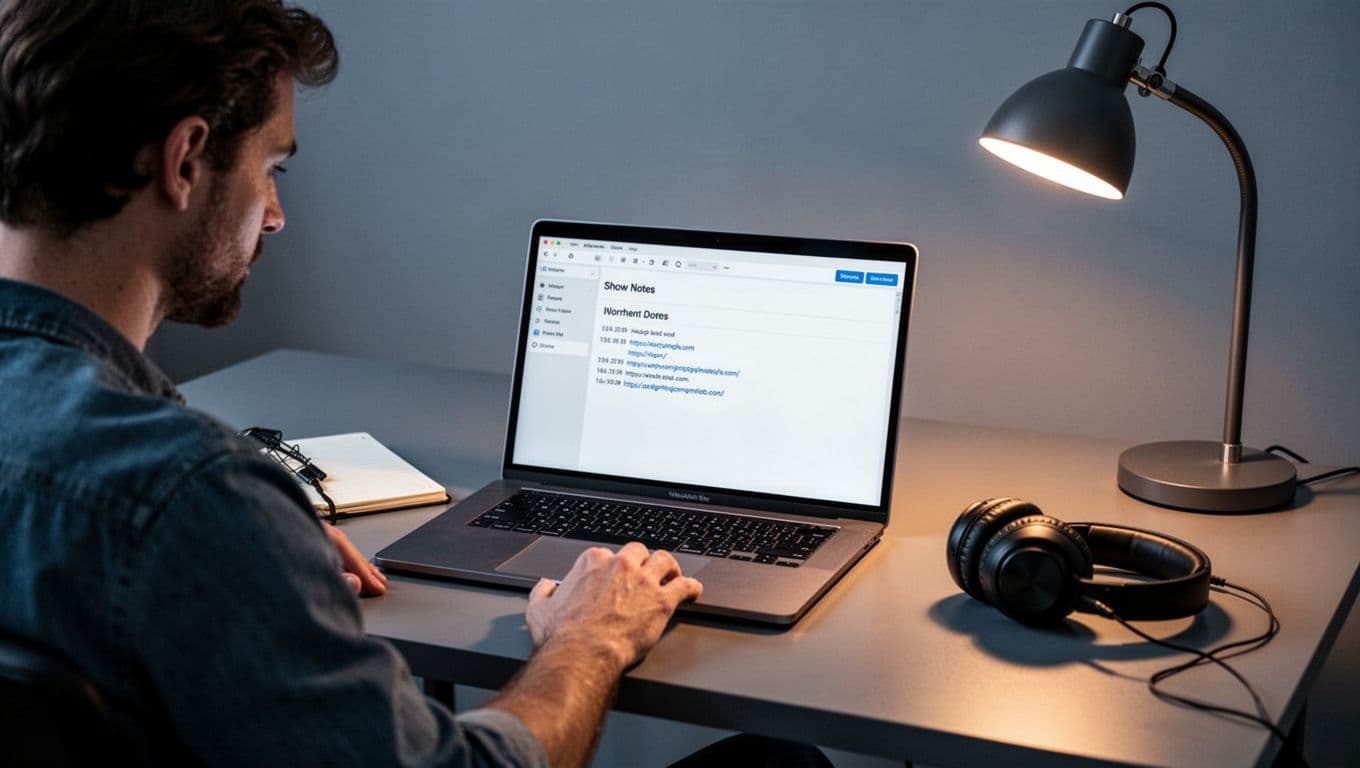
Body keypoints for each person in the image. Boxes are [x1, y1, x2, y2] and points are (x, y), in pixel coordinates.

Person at [0, 1, 704, 766]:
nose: (274, 216)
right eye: (271, 170)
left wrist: (258, 547)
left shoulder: (174, 489)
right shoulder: (192, 498)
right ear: (186, 161)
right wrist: (589, 638)